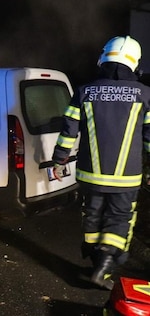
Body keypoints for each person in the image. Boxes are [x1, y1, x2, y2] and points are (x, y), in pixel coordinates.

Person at [52, 35, 150, 290]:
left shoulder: (84, 92)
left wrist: (60, 160)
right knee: (120, 218)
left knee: (93, 214)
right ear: (134, 63)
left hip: (89, 174)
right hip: (126, 178)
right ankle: (105, 265)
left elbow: (68, 131)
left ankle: (96, 265)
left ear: (104, 58)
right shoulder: (145, 95)